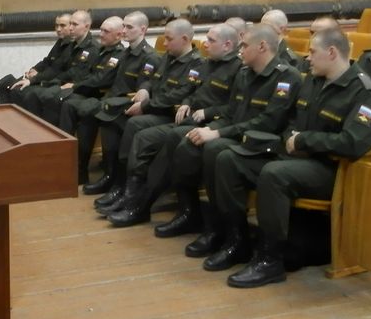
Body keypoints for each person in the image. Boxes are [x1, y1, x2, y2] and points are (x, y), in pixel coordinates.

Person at [210, 28, 371, 288]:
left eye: (313, 52)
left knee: (274, 174)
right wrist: (291, 139)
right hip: (296, 158)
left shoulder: (364, 92)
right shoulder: (313, 81)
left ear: (332, 52)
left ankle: (270, 259)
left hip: (332, 169)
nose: (307, 57)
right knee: (229, 160)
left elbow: (353, 142)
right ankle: (237, 241)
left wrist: (304, 141)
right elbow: (291, 121)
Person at [158, 24, 303, 244]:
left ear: (262, 46)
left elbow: (267, 123)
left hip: (263, 143)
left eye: (244, 45)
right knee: (187, 139)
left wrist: (218, 133)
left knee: (215, 149)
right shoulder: (245, 74)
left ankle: (231, 234)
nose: (240, 50)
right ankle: (192, 213)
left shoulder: (286, 77)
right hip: (238, 134)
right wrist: (210, 129)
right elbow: (231, 113)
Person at [105, 23, 243, 227]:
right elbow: (192, 90)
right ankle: (131, 196)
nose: (205, 44)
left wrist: (207, 112)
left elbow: (234, 108)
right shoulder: (208, 64)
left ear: (227, 45)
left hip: (210, 124)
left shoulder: (238, 70)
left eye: (211, 40)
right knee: (144, 137)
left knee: (173, 141)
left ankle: (143, 206)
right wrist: (187, 103)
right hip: (189, 119)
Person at [89, 19, 201, 213]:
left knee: (134, 124)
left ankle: (130, 190)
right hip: (154, 107)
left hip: (168, 112)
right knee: (113, 116)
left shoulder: (196, 64)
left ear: (184, 39)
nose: (164, 43)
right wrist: (144, 89)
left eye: (169, 39)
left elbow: (178, 94)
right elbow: (152, 79)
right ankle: (119, 182)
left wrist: (146, 105)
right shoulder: (168, 57)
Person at [63, 12, 158, 185]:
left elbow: (144, 87)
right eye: (124, 26)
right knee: (79, 108)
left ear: (143, 29)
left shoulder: (149, 56)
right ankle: (79, 168)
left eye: (129, 27)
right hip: (112, 99)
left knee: (93, 111)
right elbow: (109, 80)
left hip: (126, 104)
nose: (124, 31)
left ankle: (109, 175)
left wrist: (142, 91)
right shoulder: (126, 53)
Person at [35, 16, 126, 127]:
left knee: (62, 100)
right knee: (51, 95)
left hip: (96, 94)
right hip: (84, 88)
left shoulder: (118, 55)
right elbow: (85, 72)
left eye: (106, 31)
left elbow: (100, 79)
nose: (101, 34)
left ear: (118, 35)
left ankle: (60, 135)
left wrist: (75, 85)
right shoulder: (102, 50)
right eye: (101, 30)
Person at [0, 13, 73, 104]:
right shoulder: (61, 41)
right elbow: (47, 61)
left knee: (17, 89)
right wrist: (34, 69)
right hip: (43, 77)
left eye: (62, 26)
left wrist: (34, 78)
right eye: (56, 25)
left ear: (71, 26)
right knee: (6, 83)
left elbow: (54, 71)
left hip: (53, 82)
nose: (58, 29)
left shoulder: (72, 46)